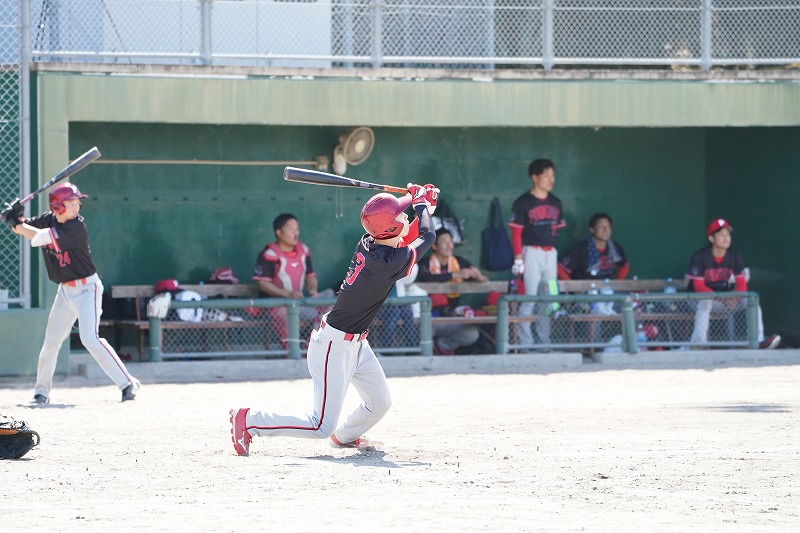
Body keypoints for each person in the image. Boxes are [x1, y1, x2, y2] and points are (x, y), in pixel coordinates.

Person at [230, 183, 438, 456]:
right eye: (401, 215)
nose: (405, 217)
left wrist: (422, 204)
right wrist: (421, 205)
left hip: (357, 343)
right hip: (334, 345)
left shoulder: (372, 243)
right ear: (390, 228)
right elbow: (427, 236)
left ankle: (345, 436)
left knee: (380, 403)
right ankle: (249, 420)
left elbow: (408, 235)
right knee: (320, 425)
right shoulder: (387, 262)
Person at [3, 183, 140, 404]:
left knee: (90, 338)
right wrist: (14, 217)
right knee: (51, 342)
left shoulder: (77, 226)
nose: (77, 206)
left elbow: (37, 236)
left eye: (77, 202)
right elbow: (24, 229)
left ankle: (127, 384)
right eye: (71, 203)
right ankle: (41, 392)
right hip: (65, 291)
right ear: (58, 207)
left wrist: (15, 222)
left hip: (87, 289)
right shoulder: (48, 219)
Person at [686, 218, 780, 349]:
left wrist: (734, 299)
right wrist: (724, 299)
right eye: (721, 235)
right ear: (711, 239)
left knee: (751, 301)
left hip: (723, 301)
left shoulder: (735, 256)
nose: (726, 238)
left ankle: (758, 341)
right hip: (696, 301)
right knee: (705, 301)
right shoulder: (700, 257)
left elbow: (742, 285)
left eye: (728, 234)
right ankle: (698, 344)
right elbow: (699, 287)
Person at [508, 159, 566, 349]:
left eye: (553, 176)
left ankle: (544, 343)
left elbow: (556, 230)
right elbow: (516, 232)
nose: (551, 180)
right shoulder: (523, 202)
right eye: (546, 176)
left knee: (548, 300)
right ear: (535, 177)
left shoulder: (556, 202)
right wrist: (518, 257)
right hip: (531, 252)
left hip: (551, 253)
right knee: (529, 298)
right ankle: (526, 344)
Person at [252, 213, 334, 346]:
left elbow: (311, 277)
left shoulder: (303, 250)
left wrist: (313, 290)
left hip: (300, 303)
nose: (296, 233)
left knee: (329, 295)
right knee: (284, 314)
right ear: (279, 233)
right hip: (277, 306)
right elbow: (263, 284)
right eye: (291, 229)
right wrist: (288, 294)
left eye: (297, 229)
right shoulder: (269, 253)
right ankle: (291, 350)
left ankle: (313, 343)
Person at [417, 227, 488, 355]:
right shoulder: (425, 262)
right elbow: (426, 277)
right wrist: (455, 275)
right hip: (430, 318)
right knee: (426, 330)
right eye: (444, 242)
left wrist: (478, 276)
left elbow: (484, 279)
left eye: (451, 241)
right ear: (434, 246)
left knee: (472, 334)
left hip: (452, 317)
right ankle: (427, 353)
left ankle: (442, 345)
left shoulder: (459, 262)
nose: (449, 245)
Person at [558, 212, 629, 280]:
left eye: (608, 226)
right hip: (586, 287)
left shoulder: (615, 247)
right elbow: (559, 268)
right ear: (592, 230)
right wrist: (573, 286)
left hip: (609, 287)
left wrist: (617, 284)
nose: (605, 230)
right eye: (601, 226)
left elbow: (624, 266)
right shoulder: (582, 249)